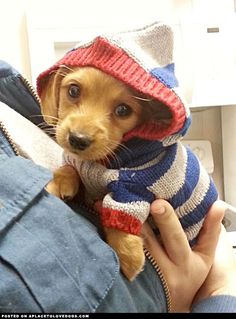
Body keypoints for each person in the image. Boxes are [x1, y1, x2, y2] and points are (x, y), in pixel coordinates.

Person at [0, 60, 236, 313]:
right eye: (74, 92)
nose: (80, 132)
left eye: (122, 110)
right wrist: (217, 293)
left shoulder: (10, 93)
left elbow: (122, 185)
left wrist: (218, 289)